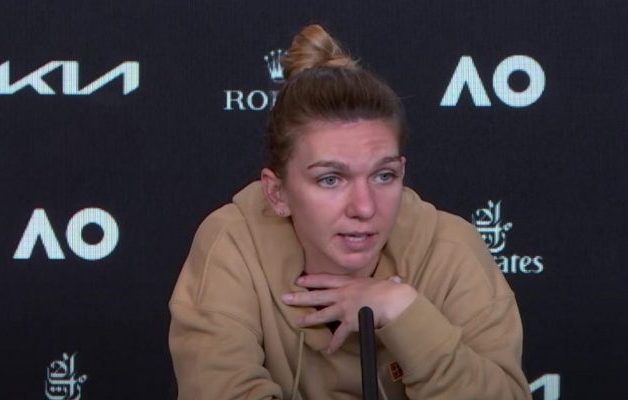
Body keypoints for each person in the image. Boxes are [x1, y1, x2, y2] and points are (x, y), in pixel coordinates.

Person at [168, 24, 532, 400]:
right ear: (277, 193)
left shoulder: (451, 247)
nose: (364, 207)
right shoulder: (232, 243)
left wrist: (402, 310)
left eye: (383, 176)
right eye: (330, 179)